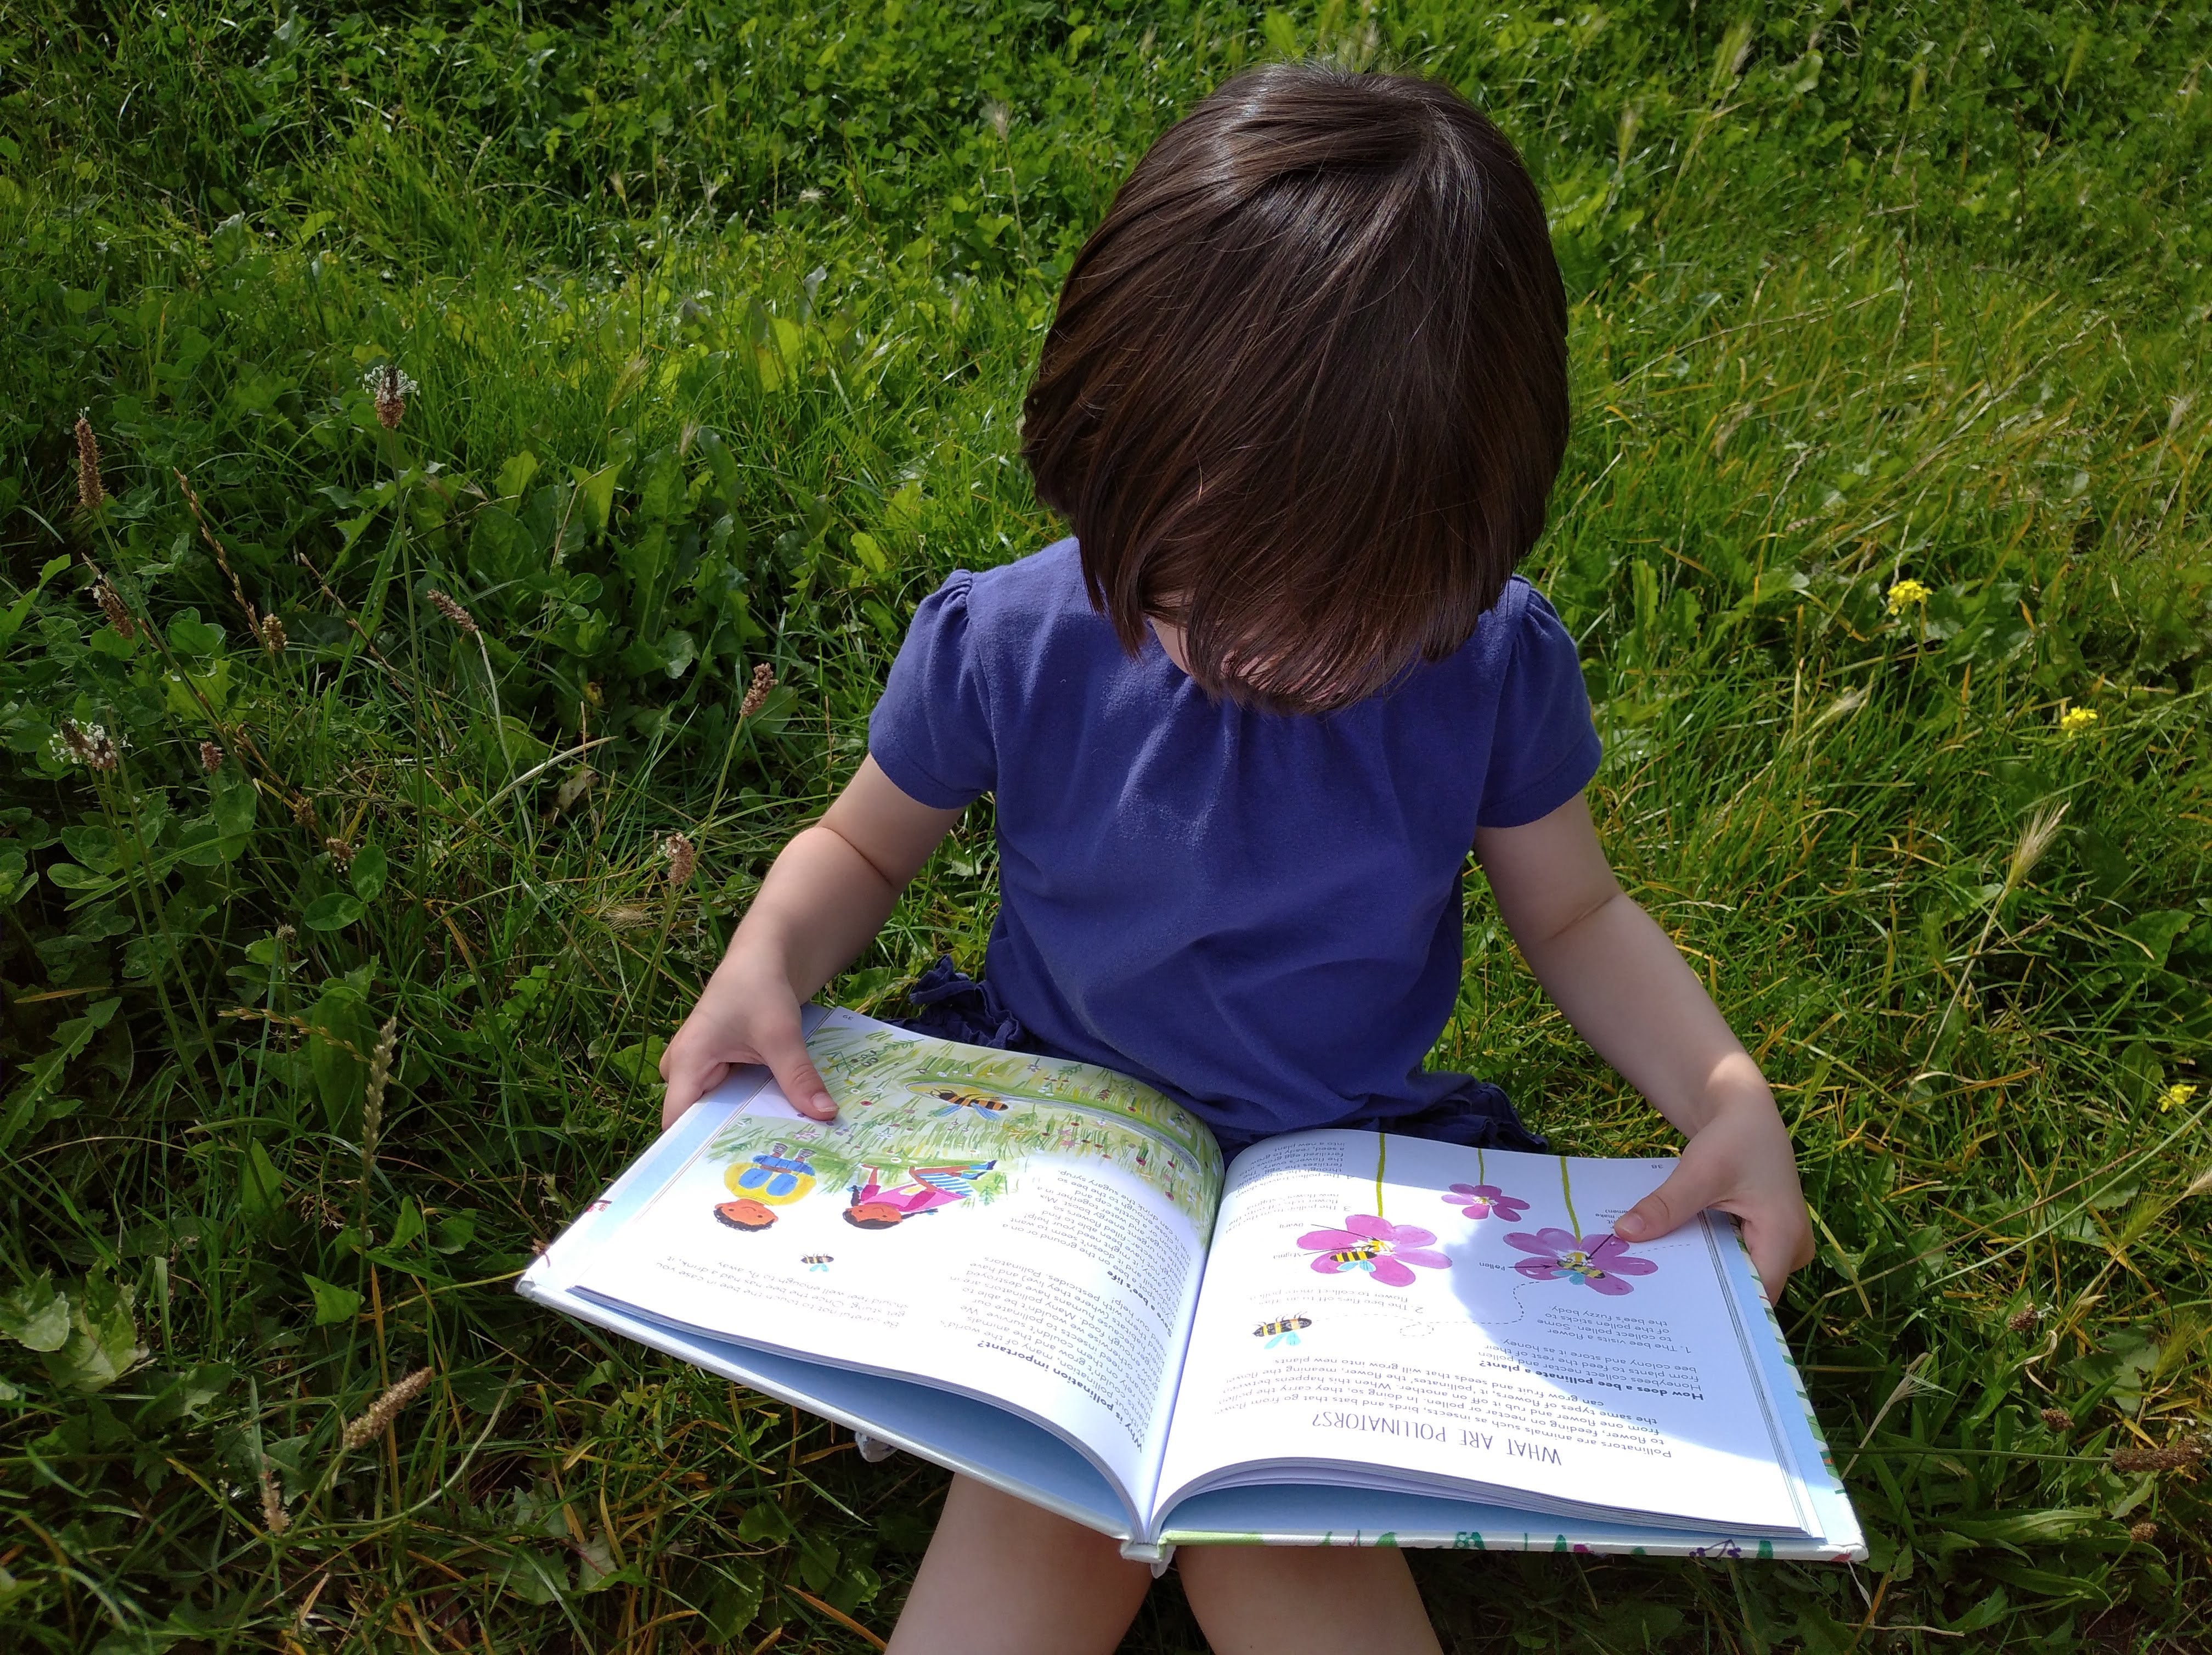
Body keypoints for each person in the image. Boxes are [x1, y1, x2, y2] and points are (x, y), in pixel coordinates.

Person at [659, 62, 1813, 1655]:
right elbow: (864, 838)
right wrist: (766, 961)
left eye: (1351, 635)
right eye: (1201, 599)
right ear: (1101, 461)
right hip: (1061, 1134)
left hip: (1337, 1174)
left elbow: (1580, 910)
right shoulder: (1014, 640)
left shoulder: (1489, 667)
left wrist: (1723, 1094)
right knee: (1047, 1505)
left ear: (1474, 552)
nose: (1261, 662)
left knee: (1293, 1540)